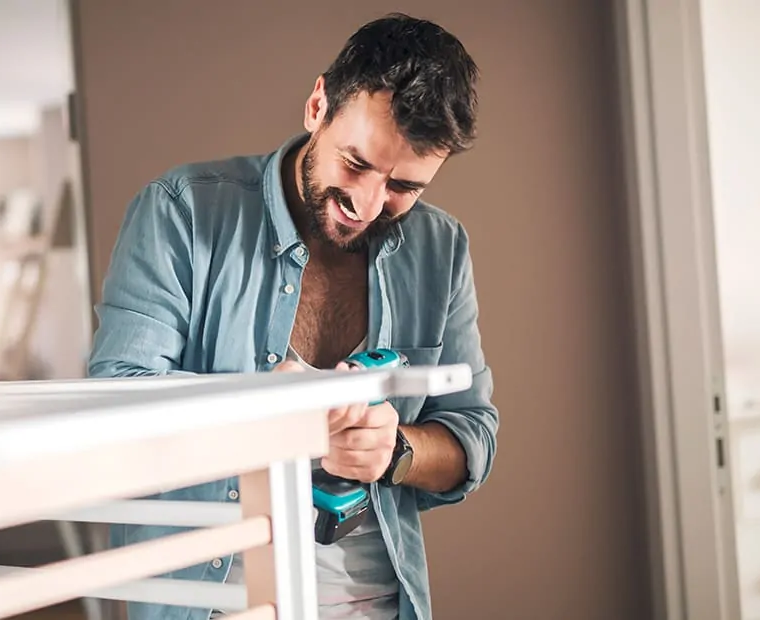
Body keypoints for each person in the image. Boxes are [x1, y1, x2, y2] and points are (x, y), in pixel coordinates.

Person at [87, 12, 499, 620]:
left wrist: (394, 451)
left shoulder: (441, 250)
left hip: (380, 606)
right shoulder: (182, 213)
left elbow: (473, 435)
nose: (367, 205)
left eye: (403, 187)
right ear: (317, 107)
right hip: (213, 603)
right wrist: (262, 412)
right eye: (356, 165)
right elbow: (112, 406)